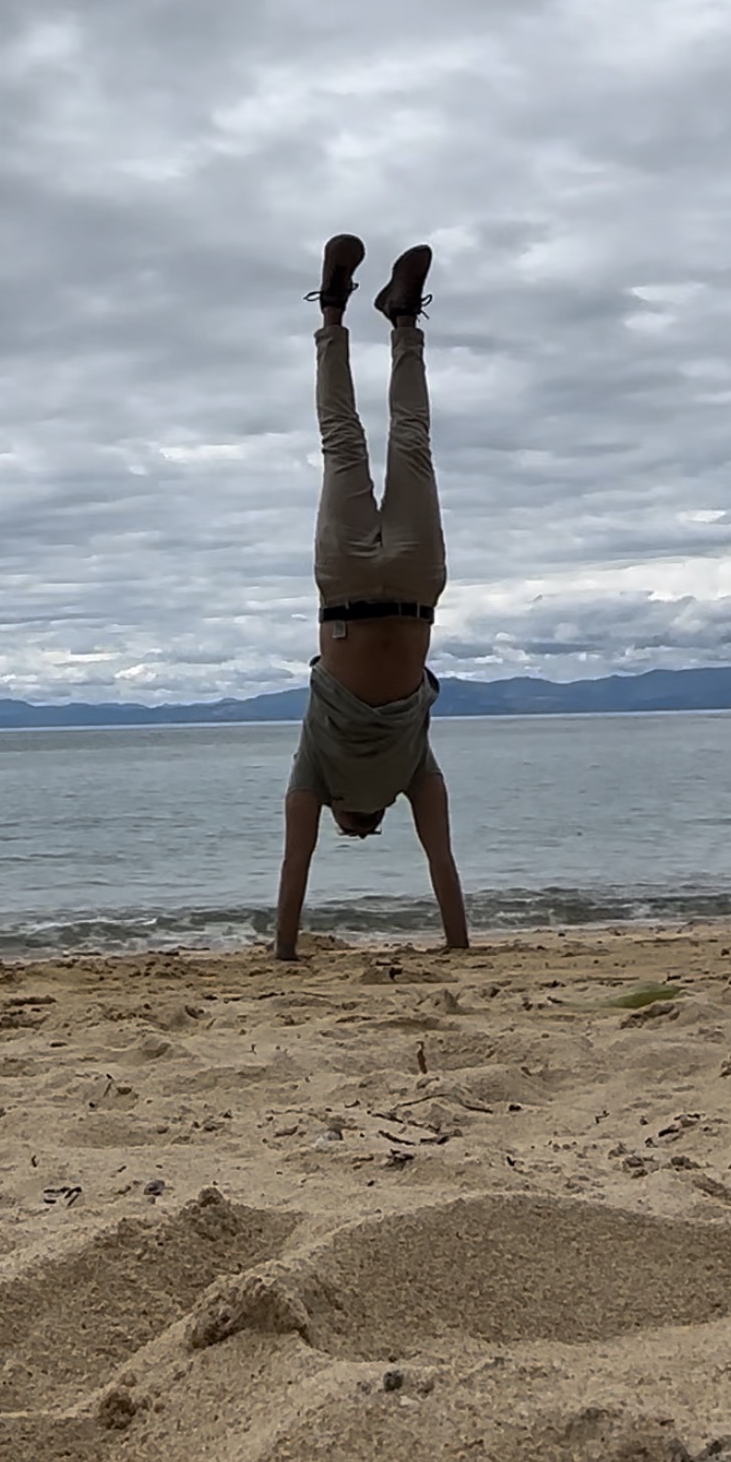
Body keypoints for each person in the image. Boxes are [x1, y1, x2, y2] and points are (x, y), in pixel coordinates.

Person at [275, 235, 469, 961]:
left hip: (347, 591)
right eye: (367, 830)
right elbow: (440, 862)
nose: (359, 830)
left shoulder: (314, 774)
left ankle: (332, 310)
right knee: (411, 442)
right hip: (416, 589)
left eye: (350, 833)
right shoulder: (411, 773)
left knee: (342, 443)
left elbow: (295, 866)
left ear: (337, 818)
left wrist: (283, 956)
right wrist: (457, 949)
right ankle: (402, 320)